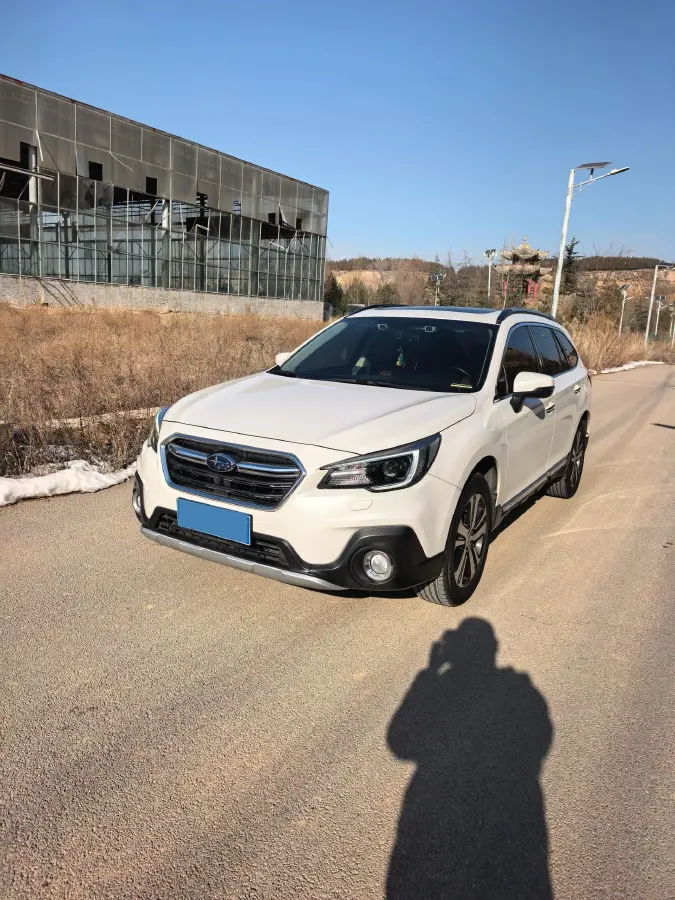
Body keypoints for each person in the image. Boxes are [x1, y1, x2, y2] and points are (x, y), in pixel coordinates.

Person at [387, 618, 553, 899]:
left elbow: (400, 741)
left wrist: (429, 674)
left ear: (452, 651)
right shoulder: (521, 691)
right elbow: (540, 740)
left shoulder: (438, 692)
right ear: (494, 650)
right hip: (510, 821)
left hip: (437, 820)